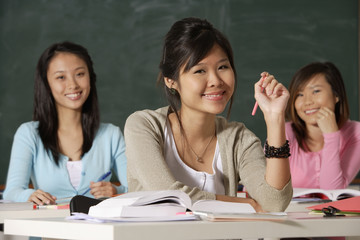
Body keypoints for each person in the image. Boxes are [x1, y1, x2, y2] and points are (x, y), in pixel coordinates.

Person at [124, 17, 292, 212]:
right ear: (171, 81)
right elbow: (168, 196)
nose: (215, 80)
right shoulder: (143, 126)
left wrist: (275, 118)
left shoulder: (238, 139)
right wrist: (246, 204)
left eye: (222, 67)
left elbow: (274, 203)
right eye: (200, 70)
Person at [3, 41, 127, 205]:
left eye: (80, 74)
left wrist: (116, 191)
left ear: (91, 77)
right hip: (46, 229)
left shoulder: (111, 135)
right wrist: (29, 195)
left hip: (97, 229)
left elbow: (136, 188)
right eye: (61, 77)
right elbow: (12, 192)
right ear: (46, 84)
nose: (73, 85)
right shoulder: (28, 134)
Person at [285, 62, 360, 189]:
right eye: (300, 95)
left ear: (336, 95)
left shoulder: (356, 133)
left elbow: (331, 190)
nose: (308, 102)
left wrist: (332, 136)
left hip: (328, 209)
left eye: (316, 91)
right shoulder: (284, 133)